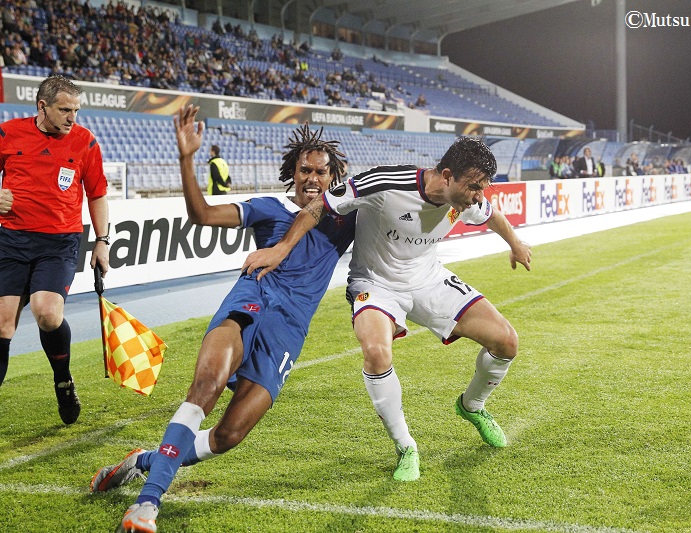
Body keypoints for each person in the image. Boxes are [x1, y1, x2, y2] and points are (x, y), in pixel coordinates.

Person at [90, 105, 354, 533]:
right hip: (251, 303)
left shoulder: (345, 219)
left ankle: (142, 461)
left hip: (288, 333)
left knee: (228, 436)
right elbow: (203, 216)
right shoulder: (270, 206)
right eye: (306, 169)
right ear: (293, 170)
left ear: (333, 176)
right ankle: (146, 505)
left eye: (322, 172)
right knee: (207, 385)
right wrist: (186, 158)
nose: (313, 178)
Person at [244, 137, 531, 482]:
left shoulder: (467, 199)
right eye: (473, 187)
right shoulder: (385, 183)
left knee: (507, 342)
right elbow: (322, 204)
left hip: (429, 279)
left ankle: (472, 406)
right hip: (375, 284)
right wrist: (281, 249)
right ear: (446, 175)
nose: (477, 196)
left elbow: (493, 215)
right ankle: (406, 446)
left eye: (482, 188)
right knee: (377, 354)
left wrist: (515, 244)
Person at [0, 75, 109, 424]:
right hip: (11, 240)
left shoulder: (85, 142)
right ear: (42, 106)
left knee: (46, 312)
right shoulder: (8, 133)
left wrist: (102, 241)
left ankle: (62, 379)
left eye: (76, 110)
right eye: (65, 109)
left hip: (59, 242)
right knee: (2, 325)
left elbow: (97, 194)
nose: (72, 118)